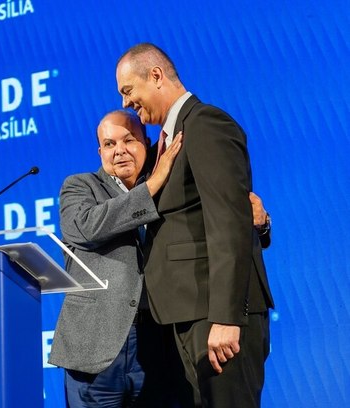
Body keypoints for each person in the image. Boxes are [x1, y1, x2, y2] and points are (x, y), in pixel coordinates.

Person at [116, 43, 274, 407]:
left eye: (128, 91)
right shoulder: (162, 149)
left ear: (155, 76)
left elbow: (229, 222)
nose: (127, 103)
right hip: (189, 314)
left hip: (215, 316)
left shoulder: (205, 123)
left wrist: (226, 317)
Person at [49, 109, 184, 407]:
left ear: (145, 144)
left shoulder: (168, 189)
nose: (119, 150)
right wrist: (151, 187)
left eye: (128, 140)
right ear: (100, 152)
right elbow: (85, 226)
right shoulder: (80, 186)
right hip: (95, 347)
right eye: (109, 144)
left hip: (156, 343)